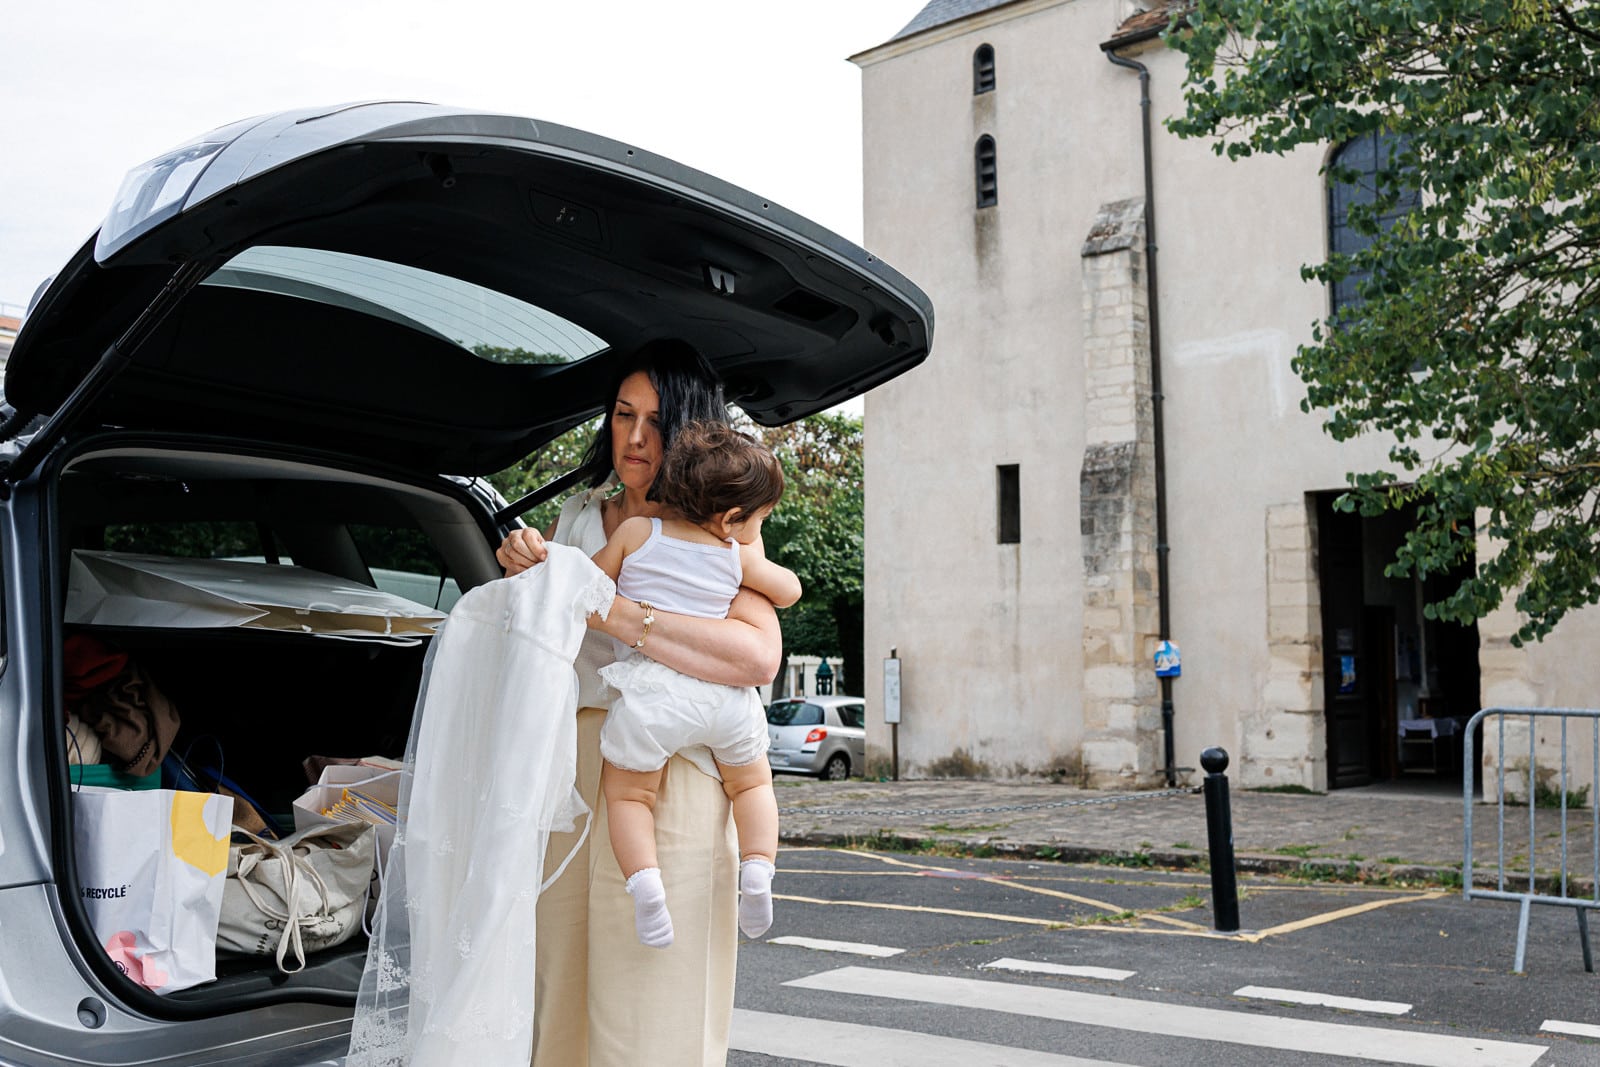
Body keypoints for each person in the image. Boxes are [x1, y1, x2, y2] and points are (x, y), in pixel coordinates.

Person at [495, 339, 781, 1067]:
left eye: (655, 420)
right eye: (623, 415)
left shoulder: (719, 523)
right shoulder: (581, 514)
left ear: (689, 431)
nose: (634, 435)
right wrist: (527, 573)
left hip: (678, 767)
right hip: (572, 764)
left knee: (655, 994)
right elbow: (542, 640)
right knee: (558, 979)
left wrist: (631, 619)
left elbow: (758, 653)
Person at [591, 422, 800, 949]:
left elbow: (588, 586)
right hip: (723, 698)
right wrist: (751, 556)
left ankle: (646, 888)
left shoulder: (637, 533)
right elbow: (789, 591)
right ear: (731, 518)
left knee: (629, 797)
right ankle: (758, 871)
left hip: (652, 695)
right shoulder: (734, 553)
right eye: (758, 519)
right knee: (752, 785)